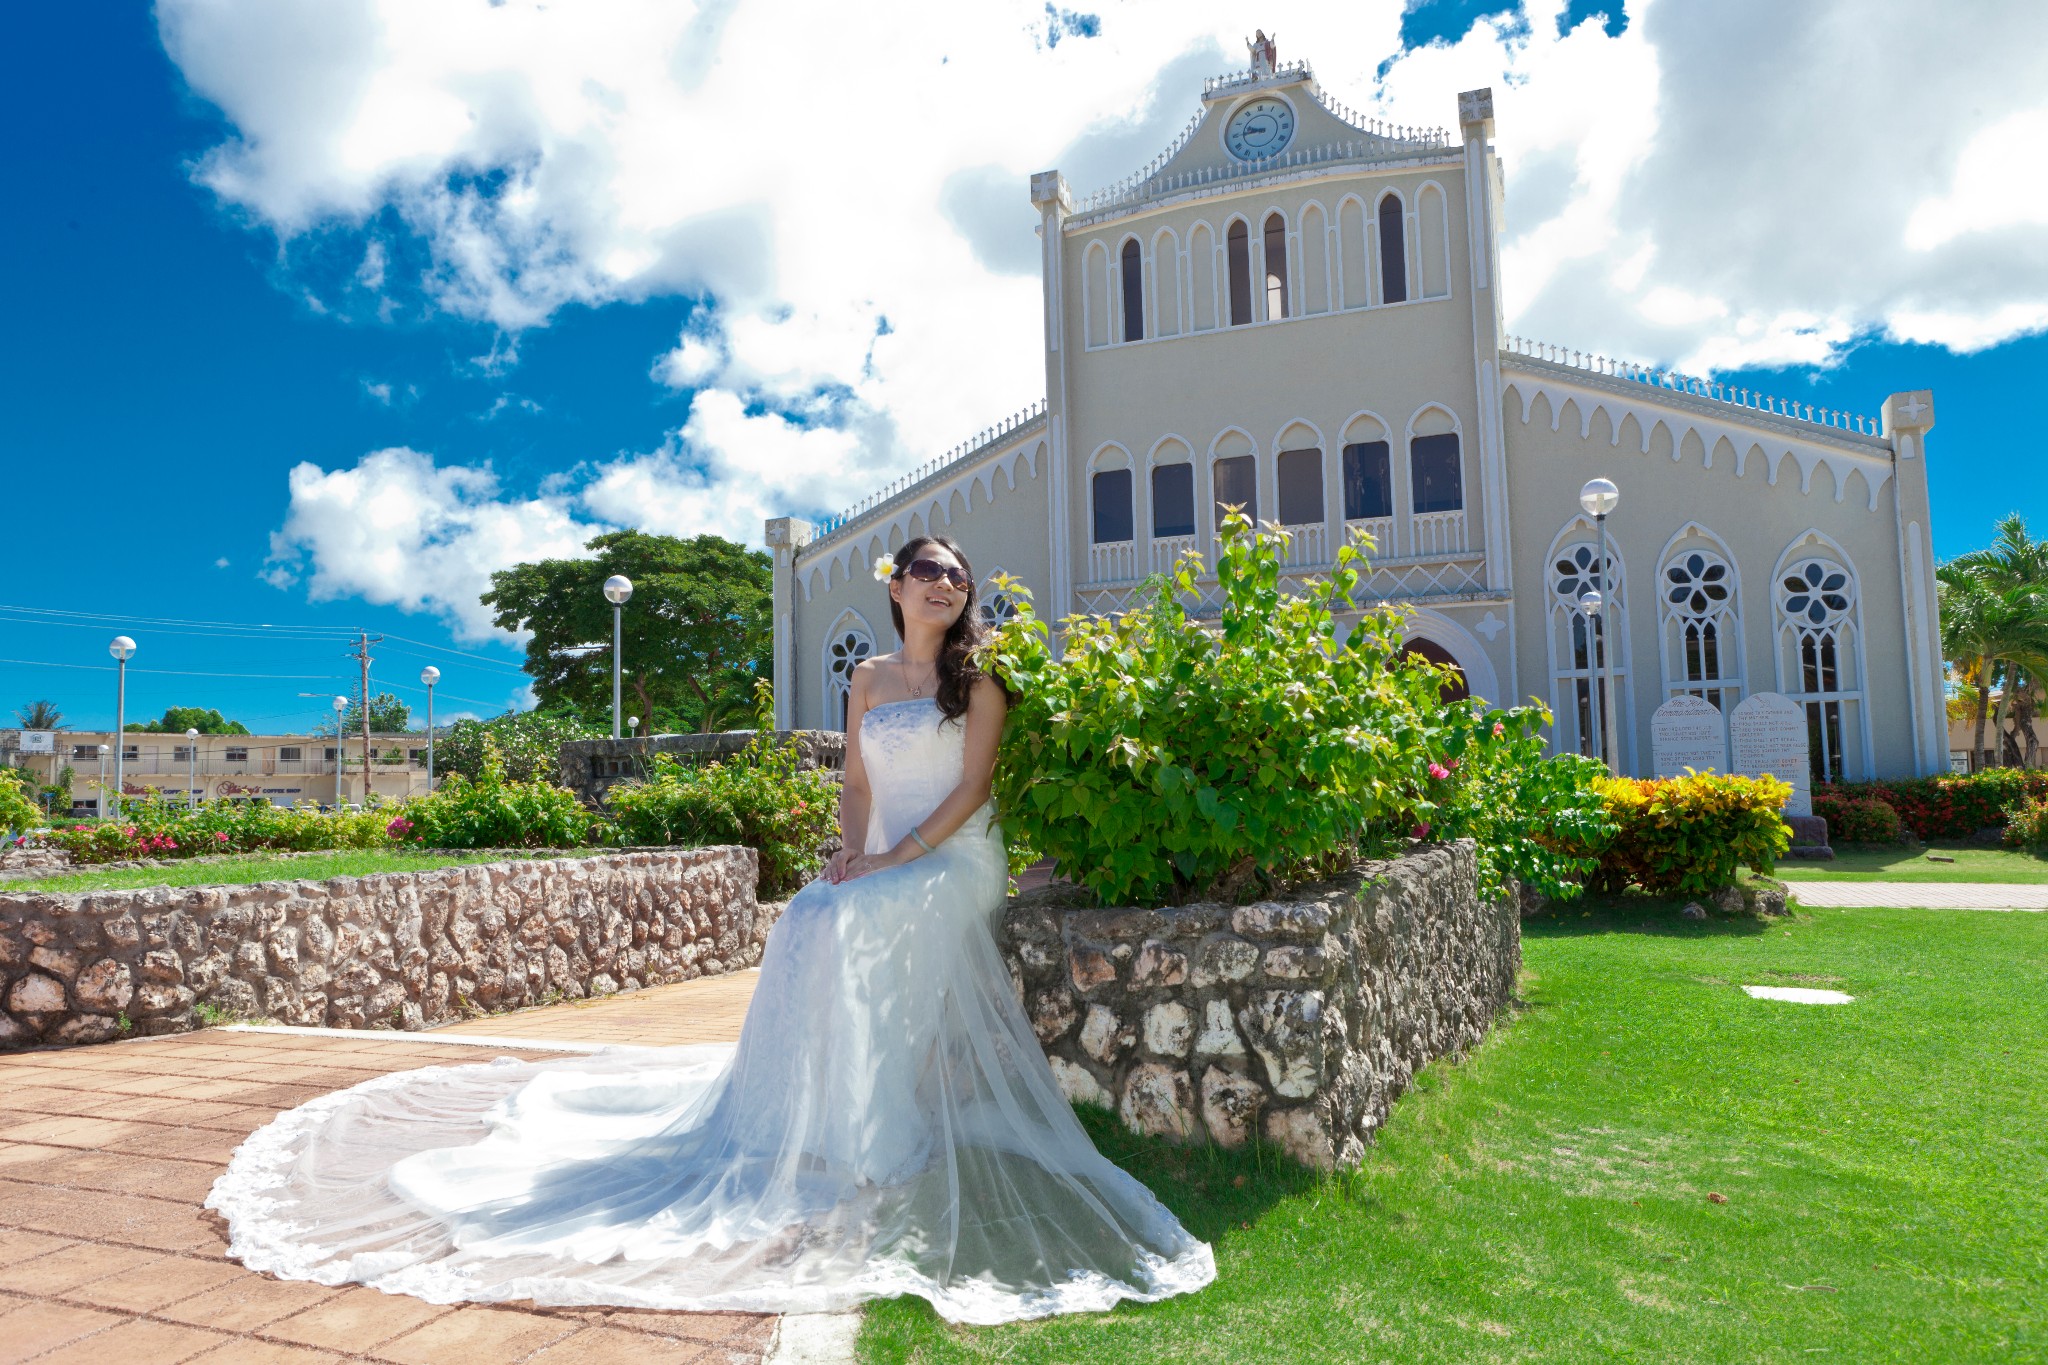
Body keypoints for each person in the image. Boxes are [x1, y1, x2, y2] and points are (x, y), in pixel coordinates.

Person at [208, 535, 1215, 1324]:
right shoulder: (865, 678)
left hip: (952, 857)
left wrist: (899, 859)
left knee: (858, 922)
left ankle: (879, 1130)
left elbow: (974, 787)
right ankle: (820, 1117)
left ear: (964, 596)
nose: (941, 585)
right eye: (925, 572)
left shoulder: (981, 677)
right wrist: (847, 852)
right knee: (814, 917)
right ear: (896, 589)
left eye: (954, 575)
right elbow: (857, 783)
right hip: (883, 855)